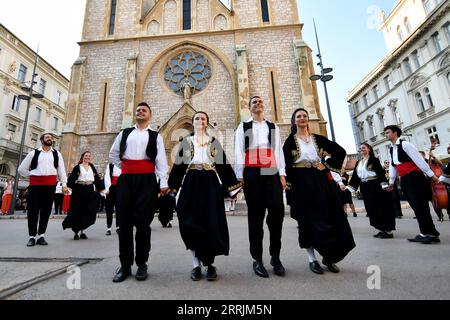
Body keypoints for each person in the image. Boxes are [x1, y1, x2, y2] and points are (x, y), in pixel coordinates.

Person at [169, 111, 242, 281]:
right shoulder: (186, 142)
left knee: (211, 224)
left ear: (206, 122)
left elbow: (223, 166)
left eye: (203, 118)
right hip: (192, 182)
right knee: (190, 222)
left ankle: (209, 265)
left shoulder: (213, 142)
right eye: (197, 118)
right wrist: (171, 187)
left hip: (210, 183)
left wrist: (233, 187)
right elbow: (179, 167)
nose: (200, 120)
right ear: (193, 123)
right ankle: (195, 265)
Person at [283, 108, 355, 275]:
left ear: (308, 120)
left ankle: (329, 256)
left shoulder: (319, 139)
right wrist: (289, 188)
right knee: (306, 220)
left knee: (330, 216)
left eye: (305, 116)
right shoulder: (289, 142)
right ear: (294, 121)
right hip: (301, 183)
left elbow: (340, 151)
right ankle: (312, 259)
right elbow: (286, 166)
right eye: (299, 116)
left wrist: (327, 164)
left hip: (320, 180)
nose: (302, 118)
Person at [109, 102, 170, 283]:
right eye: (138, 110)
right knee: (125, 225)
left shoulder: (155, 136)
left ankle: (142, 263)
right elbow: (113, 155)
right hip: (126, 180)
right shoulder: (125, 133)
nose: (140, 112)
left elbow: (161, 161)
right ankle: (125, 265)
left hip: (147, 181)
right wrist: (127, 167)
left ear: (149, 115)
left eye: (143, 110)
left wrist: (163, 182)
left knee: (143, 224)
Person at [234, 96, 287, 278]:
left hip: (270, 169)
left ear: (264, 106)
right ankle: (257, 258)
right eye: (254, 102)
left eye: (260, 101)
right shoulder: (243, 127)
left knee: (276, 213)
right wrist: (240, 176)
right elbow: (239, 150)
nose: (257, 103)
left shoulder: (273, 127)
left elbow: (278, 150)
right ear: (249, 107)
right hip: (252, 171)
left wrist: (282, 173)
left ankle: (276, 256)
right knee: (255, 216)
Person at [384, 125, 440, 244]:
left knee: (421, 206)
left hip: (414, 177)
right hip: (404, 178)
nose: (386, 135)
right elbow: (393, 166)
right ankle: (425, 232)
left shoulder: (405, 144)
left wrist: (431, 175)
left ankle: (431, 233)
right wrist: (391, 182)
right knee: (415, 206)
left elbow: (418, 160)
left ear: (395, 133)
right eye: (385, 133)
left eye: (388, 132)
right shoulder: (391, 149)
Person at [18, 133, 68, 247]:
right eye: (47, 137)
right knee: (33, 211)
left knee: (45, 211)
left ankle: (41, 236)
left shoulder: (57, 154)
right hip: (35, 186)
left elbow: (61, 170)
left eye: (51, 137)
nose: (49, 139)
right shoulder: (34, 153)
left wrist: (64, 184)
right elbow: (21, 169)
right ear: (42, 140)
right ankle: (32, 237)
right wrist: (32, 175)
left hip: (50, 186)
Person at [348, 143, 396, 239]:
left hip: (375, 186)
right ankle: (381, 229)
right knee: (371, 208)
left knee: (381, 207)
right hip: (364, 187)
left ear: (369, 149)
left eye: (364, 148)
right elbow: (355, 177)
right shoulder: (359, 162)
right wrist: (349, 188)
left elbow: (380, 173)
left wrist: (385, 185)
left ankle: (388, 230)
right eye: (360, 148)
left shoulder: (374, 160)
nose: (362, 150)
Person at [62, 152, 104, 240]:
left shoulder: (92, 167)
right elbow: (71, 179)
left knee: (88, 210)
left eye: (89, 156)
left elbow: (96, 180)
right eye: (86, 156)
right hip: (79, 190)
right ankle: (76, 232)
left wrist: (102, 189)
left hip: (89, 190)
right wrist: (68, 187)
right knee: (77, 211)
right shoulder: (77, 167)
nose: (87, 157)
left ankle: (83, 231)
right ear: (82, 157)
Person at [103, 163, 121, 235]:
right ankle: (109, 228)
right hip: (111, 188)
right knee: (109, 209)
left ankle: (118, 227)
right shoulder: (110, 165)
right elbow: (107, 177)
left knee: (119, 208)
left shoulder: (123, 164)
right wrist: (107, 189)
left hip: (120, 188)